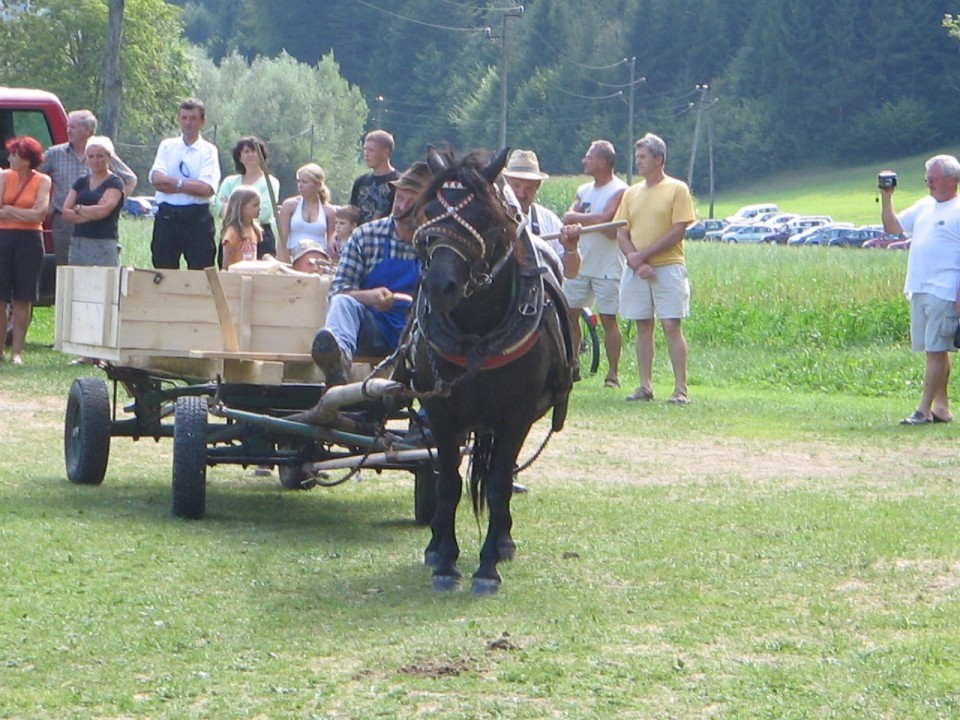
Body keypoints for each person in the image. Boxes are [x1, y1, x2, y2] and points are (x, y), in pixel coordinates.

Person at [310, 161, 431, 386]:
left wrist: (403, 302)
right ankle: (338, 361)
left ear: (426, 207)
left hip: (417, 333)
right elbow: (338, 289)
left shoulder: (433, 242)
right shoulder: (367, 235)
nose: (399, 206)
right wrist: (371, 297)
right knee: (342, 302)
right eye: (399, 198)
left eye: (409, 202)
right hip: (371, 329)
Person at [614, 132, 696, 405]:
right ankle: (644, 385)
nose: (638, 162)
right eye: (637, 157)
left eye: (643, 157)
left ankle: (680, 388)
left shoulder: (677, 189)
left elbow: (678, 230)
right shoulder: (631, 193)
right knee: (643, 325)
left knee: (671, 324)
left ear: (658, 159)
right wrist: (635, 261)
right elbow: (621, 232)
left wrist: (644, 256)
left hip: (668, 267)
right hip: (638, 270)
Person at [880, 154, 960, 425]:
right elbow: (893, 228)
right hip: (919, 286)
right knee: (934, 349)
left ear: (951, 181)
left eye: (933, 179)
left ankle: (923, 410)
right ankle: (942, 408)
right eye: (927, 178)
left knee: (937, 349)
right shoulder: (925, 205)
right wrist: (887, 196)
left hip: (945, 289)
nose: (928, 184)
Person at [562, 140, 628, 388]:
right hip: (580, 262)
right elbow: (570, 214)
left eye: (588, 157)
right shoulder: (583, 190)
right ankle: (573, 363)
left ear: (602, 161)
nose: (584, 161)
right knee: (570, 315)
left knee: (609, 318)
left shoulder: (620, 190)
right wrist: (578, 220)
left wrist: (578, 220)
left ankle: (612, 373)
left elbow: (606, 218)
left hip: (608, 265)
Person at [39, 109, 136, 266]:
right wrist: (44, 203)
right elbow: (32, 176)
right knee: (66, 268)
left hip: (100, 226)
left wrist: (115, 202)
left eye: (73, 127)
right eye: (68, 126)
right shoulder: (55, 153)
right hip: (64, 221)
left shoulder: (103, 152)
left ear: (88, 130)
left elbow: (130, 179)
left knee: (101, 271)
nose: (68, 130)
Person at [148, 98, 221, 269]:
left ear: (202, 121)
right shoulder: (167, 146)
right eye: (184, 117)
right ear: (179, 119)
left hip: (197, 219)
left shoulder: (208, 151)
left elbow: (206, 188)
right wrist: (189, 185)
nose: (188, 123)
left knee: (201, 271)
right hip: (167, 216)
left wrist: (175, 183)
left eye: (193, 118)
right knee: (163, 270)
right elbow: (157, 181)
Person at [0, 136, 52, 365]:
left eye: (15, 154)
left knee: (24, 296)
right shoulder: (3, 176)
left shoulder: (43, 180)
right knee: (0, 297)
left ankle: (17, 353)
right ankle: (0, 349)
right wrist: (22, 212)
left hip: (30, 240)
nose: (10, 158)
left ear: (27, 159)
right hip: (3, 237)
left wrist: (10, 210)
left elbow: (40, 214)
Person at [500, 149, 581, 281]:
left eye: (529, 188)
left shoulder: (549, 220)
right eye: (516, 186)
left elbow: (571, 273)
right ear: (505, 184)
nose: (521, 194)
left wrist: (570, 249)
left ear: (537, 188)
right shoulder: (490, 221)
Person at [58, 136, 125, 267]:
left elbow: (103, 212)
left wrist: (78, 209)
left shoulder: (115, 183)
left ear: (109, 158)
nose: (95, 160)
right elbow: (65, 213)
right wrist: (92, 212)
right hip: (78, 243)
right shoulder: (81, 181)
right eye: (91, 156)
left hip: (104, 243)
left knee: (104, 284)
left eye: (100, 156)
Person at [214, 136, 280, 262]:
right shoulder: (229, 182)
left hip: (261, 235)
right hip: (233, 233)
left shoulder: (271, 182)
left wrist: (232, 206)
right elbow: (218, 206)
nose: (251, 154)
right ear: (239, 157)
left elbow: (264, 212)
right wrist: (245, 210)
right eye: (246, 151)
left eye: (254, 151)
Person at [278, 163, 336, 263]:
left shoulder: (329, 211)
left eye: (304, 182)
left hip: (318, 261)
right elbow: (282, 237)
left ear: (317, 184)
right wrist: (281, 261)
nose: (300, 186)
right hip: (293, 258)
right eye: (299, 181)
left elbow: (331, 242)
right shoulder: (290, 205)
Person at [349, 130, 399, 225]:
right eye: (365, 149)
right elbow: (351, 213)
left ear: (385, 153)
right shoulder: (360, 182)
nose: (366, 154)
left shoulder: (399, 183)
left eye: (371, 150)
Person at [219, 186, 263, 269]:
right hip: (236, 278)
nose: (259, 208)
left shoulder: (254, 230)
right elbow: (226, 265)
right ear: (241, 207)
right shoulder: (233, 232)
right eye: (255, 205)